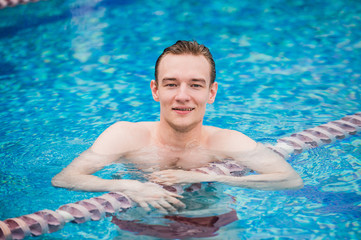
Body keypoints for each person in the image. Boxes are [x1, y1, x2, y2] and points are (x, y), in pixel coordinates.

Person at [52, 40, 303, 213]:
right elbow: (65, 178)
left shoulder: (226, 142)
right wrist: (129, 186)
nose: (182, 96)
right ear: (155, 90)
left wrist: (207, 177)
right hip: (139, 221)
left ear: (211, 92)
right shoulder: (125, 136)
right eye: (171, 84)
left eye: (195, 85)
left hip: (210, 219)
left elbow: (289, 180)